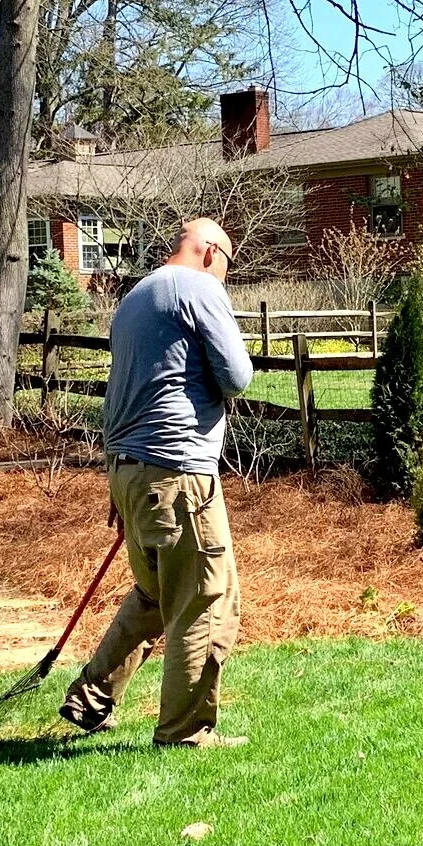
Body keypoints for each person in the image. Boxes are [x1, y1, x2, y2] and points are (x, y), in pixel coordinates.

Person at [60, 217, 255, 746]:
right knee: (204, 598)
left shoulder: (135, 298)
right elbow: (237, 376)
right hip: (177, 471)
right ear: (211, 250)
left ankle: (90, 700)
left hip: (130, 470)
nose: (226, 279)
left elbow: (121, 392)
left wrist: (119, 486)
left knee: (153, 593)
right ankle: (185, 731)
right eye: (228, 267)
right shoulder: (198, 288)